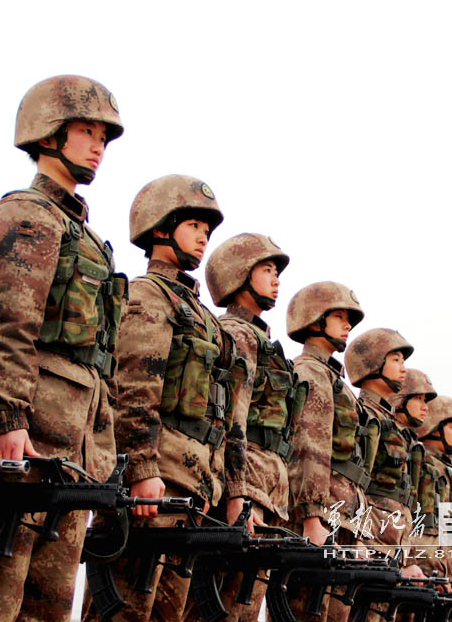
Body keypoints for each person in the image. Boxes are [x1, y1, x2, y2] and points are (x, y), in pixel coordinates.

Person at [0, 75, 124, 622]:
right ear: (49, 135)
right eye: (87, 131)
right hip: (24, 441)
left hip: (71, 452)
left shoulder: (89, 238)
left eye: (104, 136)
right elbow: (5, 324)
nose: (98, 145)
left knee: (48, 608)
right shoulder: (27, 215)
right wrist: (4, 418)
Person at [82, 174, 246, 621]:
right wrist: (140, 467)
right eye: (193, 225)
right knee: (124, 609)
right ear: (160, 228)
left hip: (194, 487)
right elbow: (135, 387)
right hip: (158, 481)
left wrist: (232, 490)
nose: (202, 238)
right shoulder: (150, 297)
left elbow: (229, 417)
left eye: (207, 231)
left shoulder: (205, 319)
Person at [186, 233, 302, 622]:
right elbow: (233, 420)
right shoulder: (237, 334)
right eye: (266, 270)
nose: (276, 280)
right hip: (240, 488)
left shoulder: (262, 340)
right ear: (239, 274)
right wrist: (239, 494)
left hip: (262, 490)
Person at [283, 281, 372, 622]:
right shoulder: (311, 373)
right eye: (338, 316)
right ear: (314, 319)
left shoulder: (335, 382)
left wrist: (359, 534)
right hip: (321, 520)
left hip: (342, 522)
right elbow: (310, 447)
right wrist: (311, 515)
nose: (347, 324)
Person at [345, 329, 426, 585]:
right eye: (396, 360)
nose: (403, 369)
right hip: (371, 543)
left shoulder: (391, 426)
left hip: (393, 547)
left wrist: (409, 558)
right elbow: (359, 486)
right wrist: (359, 540)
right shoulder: (364, 415)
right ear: (372, 362)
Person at [411, 396, 452, 586]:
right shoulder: (419, 459)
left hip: (436, 570)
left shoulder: (448, 474)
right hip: (417, 568)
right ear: (434, 426)